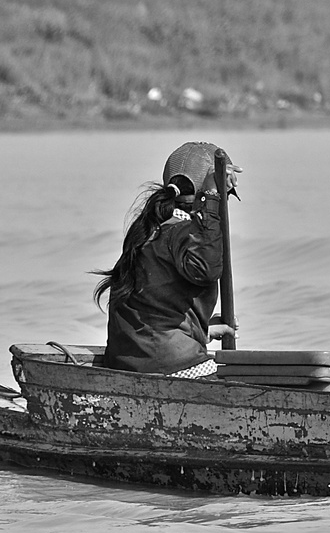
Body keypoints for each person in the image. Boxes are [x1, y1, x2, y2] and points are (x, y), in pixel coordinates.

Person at [94, 141, 239, 376]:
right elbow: (207, 269)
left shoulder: (151, 229)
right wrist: (212, 198)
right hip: (167, 364)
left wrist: (201, 330)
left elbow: (154, 308)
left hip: (131, 361)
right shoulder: (185, 232)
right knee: (235, 378)